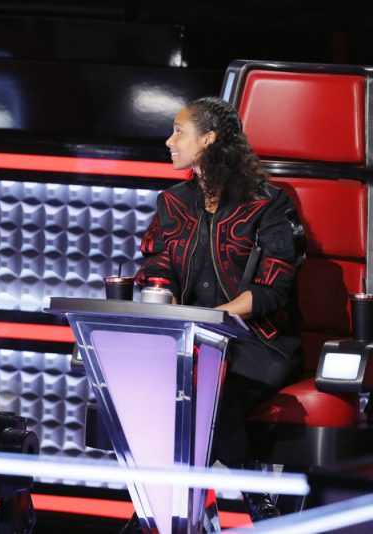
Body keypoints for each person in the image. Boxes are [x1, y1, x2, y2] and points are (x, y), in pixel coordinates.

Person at [134, 96, 304, 523]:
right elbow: (157, 267)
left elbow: (273, 289)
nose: (169, 141)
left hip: (258, 343)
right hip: (193, 341)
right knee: (167, 380)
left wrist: (212, 321)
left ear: (208, 139)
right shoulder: (173, 201)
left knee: (206, 382)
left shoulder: (267, 203)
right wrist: (172, 306)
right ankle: (243, 494)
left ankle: (160, 513)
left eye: (179, 131)